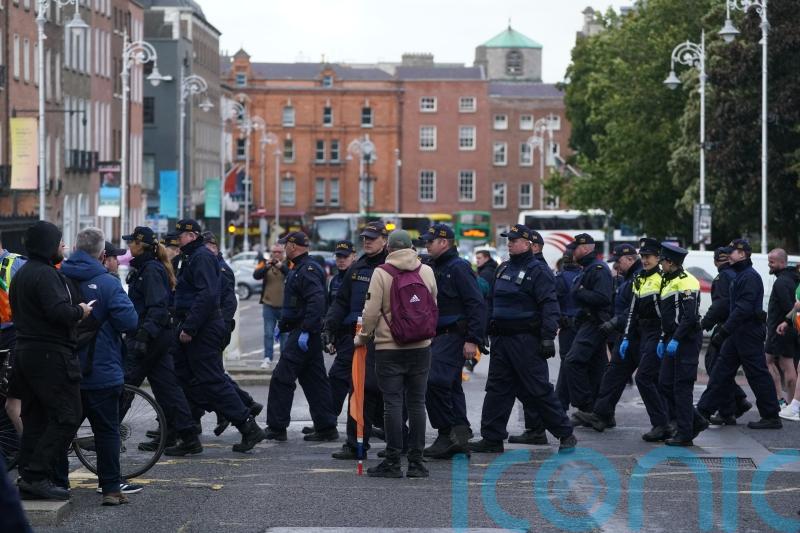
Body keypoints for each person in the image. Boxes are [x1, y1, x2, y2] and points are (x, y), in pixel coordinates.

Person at [469, 224, 577, 455]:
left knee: (538, 389)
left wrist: (548, 337)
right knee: (498, 389)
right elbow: (491, 303)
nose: (509, 243)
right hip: (502, 340)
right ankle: (492, 438)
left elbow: (549, 305)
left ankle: (565, 434)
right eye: (508, 239)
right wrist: (482, 332)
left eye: (514, 240)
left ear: (528, 244)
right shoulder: (503, 268)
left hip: (526, 340)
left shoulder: (538, 270)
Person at [10, 221, 92, 500]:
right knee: (68, 415)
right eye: (59, 242)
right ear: (48, 245)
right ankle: (36, 475)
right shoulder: (45, 275)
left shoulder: (22, 274)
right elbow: (58, 312)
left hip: (26, 352)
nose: (63, 247)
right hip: (50, 354)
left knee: (36, 419)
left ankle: (30, 478)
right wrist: (80, 311)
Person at [172, 219, 265, 453]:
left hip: (203, 328)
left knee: (211, 380)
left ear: (192, 236)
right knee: (186, 377)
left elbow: (207, 296)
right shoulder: (191, 257)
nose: (178, 239)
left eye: (181, 235)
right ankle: (191, 432)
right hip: (194, 324)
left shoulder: (201, 257)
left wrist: (190, 327)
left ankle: (246, 424)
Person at [62, 227, 139, 505]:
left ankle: (58, 484)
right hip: (101, 370)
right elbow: (129, 322)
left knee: (62, 430)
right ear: (102, 254)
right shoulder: (107, 283)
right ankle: (110, 489)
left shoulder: (59, 277)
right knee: (106, 431)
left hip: (65, 369)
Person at [357, 229, 437, 478]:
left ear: (389, 249)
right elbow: (433, 302)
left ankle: (392, 461)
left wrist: (363, 337)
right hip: (421, 346)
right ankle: (417, 462)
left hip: (389, 347)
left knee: (392, 404)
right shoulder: (426, 270)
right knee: (417, 403)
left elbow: (370, 312)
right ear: (411, 247)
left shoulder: (382, 272)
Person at [121, 227, 201, 457]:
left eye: (131, 243)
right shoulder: (146, 268)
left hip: (150, 338)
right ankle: (188, 436)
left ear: (140, 245)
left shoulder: (151, 270)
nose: (129, 247)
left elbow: (157, 307)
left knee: (126, 384)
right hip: (157, 336)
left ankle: (106, 433)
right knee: (167, 390)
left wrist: (144, 335)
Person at [697, 239, 783, 435]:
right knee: (720, 372)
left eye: (732, 252)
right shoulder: (741, 275)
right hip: (738, 333)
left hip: (748, 333)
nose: (729, 255)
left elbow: (742, 309)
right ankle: (702, 411)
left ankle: (771, 416)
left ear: (743, 254)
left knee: (757, 374)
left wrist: (724, 331)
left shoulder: (749, 277)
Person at [265, 231, 338, 442]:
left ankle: (277, 427)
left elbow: (316, 301)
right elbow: (299, 302)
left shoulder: (306, 269)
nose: (283, 248)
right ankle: (326, 427)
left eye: (285, 245)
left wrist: (306, 329)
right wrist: (284, 324)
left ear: (293, 246)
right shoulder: (299, 268)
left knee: (282, 378)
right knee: (314, 381)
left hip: (304, 333)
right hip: (303, 331)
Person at [420, 223, 485, 459]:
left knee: (434, 381)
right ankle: (460, 435)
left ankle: (446, 434)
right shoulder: (430, 265)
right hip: (436, 335)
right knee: (449, 385)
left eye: (430, 241)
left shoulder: (459, 268)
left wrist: (472, 339)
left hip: (453, 335)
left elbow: (475, 304)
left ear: (444, 242)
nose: (426, 245)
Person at [324, 227, 388, 459]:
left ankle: (399, 442)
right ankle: (355, 444)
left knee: (389, 392)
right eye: (364, 239)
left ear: (384, 240)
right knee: (358, 390)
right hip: (360, 339)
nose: (367, 242)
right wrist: (329, 326)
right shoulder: (357, 267)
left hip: (386, 338)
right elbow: (341, 302)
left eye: (372, 239)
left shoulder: (392, 266)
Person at [574, 244, 642, 431]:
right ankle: (602, 415)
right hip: (627, 335)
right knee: (613, 375)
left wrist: (614, 322)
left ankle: (670, 421)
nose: (616, 267)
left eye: (618, 262)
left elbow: (636, 307)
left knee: (649, 382)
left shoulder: (639, 277)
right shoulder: (627, 278)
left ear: (630, 259)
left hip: (639, 335)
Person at [201, 231, 263, 437]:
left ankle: (243, 407)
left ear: (216, 248)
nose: (207, 251)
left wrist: (221, 328)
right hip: (211, 328)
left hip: (216, 328)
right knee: (213, 375)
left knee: (213, 376)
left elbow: (226, 303)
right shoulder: (208, 266)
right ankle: (238, 407)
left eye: (209, 247)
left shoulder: (221, 269)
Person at [654, 242, 706, 447]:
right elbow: (667, 316)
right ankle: (696, 420)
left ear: (671, 262)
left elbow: (690, 316)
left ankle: (685, 433)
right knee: (665, 384)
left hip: (686, 340)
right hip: (671, 338)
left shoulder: (687, 281)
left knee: (682, 387)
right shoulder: (668, 280)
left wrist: (676, 338)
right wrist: (662, 338)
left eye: (663, 261)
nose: (660, 265)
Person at [700, 246, 751, 425]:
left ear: (715, 262)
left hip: (726, 328)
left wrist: (704, 323)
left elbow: (721, 305)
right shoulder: (738, 274)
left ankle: (727, 411)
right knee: (724, 369)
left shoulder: (722, 277)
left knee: (715, 368)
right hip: (738, 328)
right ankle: (738, 401)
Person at [565, 233, 613, 421]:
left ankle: (585, 405)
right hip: (588, 321)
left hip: (595, 323)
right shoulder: (587, 268)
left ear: (585, 249)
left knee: (573, 361)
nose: (572, 252)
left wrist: (580, 292)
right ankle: (602, 411)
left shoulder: (598, 269)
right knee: (596, 368)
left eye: (575, 248)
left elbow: (603, 298)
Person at [765, 248, 799, 406]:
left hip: (782, 330)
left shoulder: (782, 282)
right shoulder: (790, 279)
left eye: (772, 262)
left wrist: (785, 323)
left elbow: (789, 308)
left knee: (786, 366)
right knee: (773, 362)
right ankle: (785, 400)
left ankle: (789, 402)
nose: (769, 265)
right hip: (782, 329)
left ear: (782, 262)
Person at [553, 242, 581, 412]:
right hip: (585, 326)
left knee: (566, 365)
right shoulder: (585, 275)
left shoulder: (560, 278)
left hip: (568, 327)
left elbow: (554, 302)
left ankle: (561, 402)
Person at [254, 244, 288, 370]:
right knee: (268, 333)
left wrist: (282, 267)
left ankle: (284, 360)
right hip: (268, 304)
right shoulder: (265, 262)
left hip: (285, 306)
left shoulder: (289, 263)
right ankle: (267, 358)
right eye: (274, 252)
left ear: (283, 253)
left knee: (285, 334)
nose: (277, 254)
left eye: (279, 252)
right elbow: (256, 275)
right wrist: (267, 266)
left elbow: (292, 275)